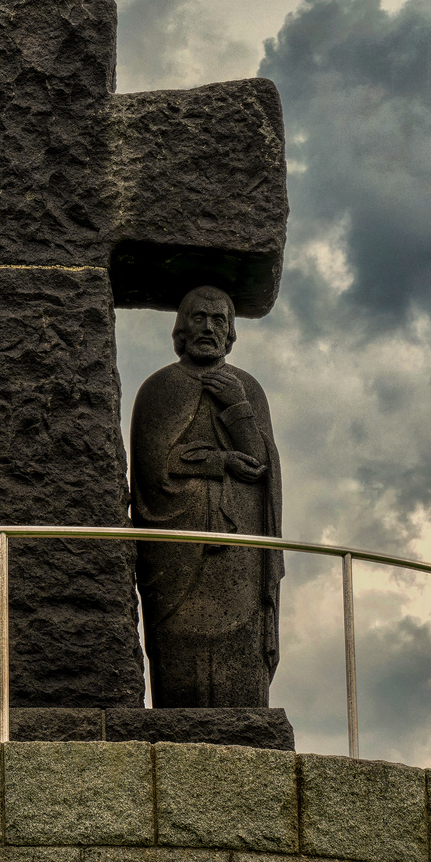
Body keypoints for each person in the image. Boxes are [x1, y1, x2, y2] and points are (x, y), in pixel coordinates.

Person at [130, 285, 284, 707]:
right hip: (179, 549)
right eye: (199, 317)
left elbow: (259, 466)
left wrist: (236, 406)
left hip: (237, 552)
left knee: (240, 648)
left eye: (220, 321)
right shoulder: (159, 388)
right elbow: (153, 471)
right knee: (179, 649)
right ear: (181, 327)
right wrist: (219, 464)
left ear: (231, 333)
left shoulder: (246, 387)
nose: (209, 328)